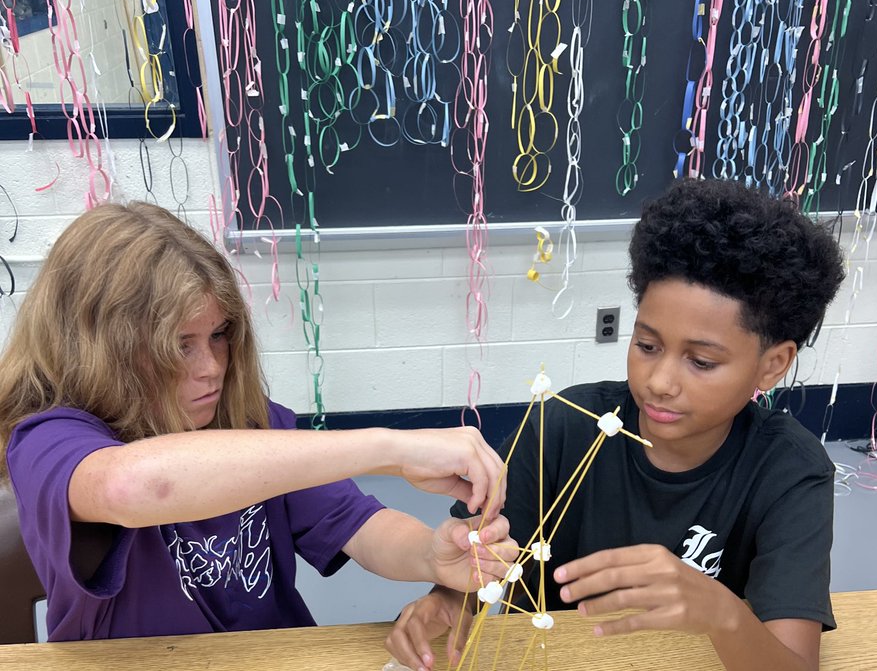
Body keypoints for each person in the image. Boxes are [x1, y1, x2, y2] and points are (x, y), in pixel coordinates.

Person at [386, 178, 846, 671]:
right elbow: (480, 567)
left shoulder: (791, 473)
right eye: (647, 345)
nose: (658, 381)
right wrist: (447, 602)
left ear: (773, 365)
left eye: (701, 362)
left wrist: (722, 612)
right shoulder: (563, 427)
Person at [0, 202, 513, 642]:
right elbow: (135, 485)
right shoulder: (48, 440)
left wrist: (431, 554)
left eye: (219, 335)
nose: (212, 368)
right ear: (102, 350)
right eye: (180, 345)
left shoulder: (255, 424)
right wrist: (393, 449)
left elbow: (359, 526)